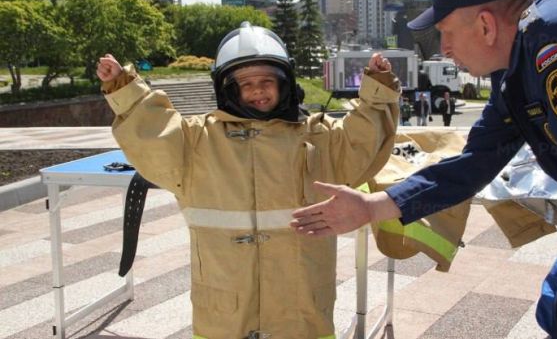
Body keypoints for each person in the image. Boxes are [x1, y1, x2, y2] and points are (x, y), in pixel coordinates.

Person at [291, 0, 557, 339]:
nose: (444, 48)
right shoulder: (519, 64)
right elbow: (474, 163)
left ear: (485, 25)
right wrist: (371, 207)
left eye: (445, 32)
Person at [96, 22, 400, 339]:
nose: (258, 90)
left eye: (267, 81)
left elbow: (360, 142)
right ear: (227, 89)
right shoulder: (198, 141)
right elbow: (155, 134)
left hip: (300, 314)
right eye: (246, 83)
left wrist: (377, 88)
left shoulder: (316, 138)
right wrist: (124, 86)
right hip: (225, 317)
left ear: (285, 84)